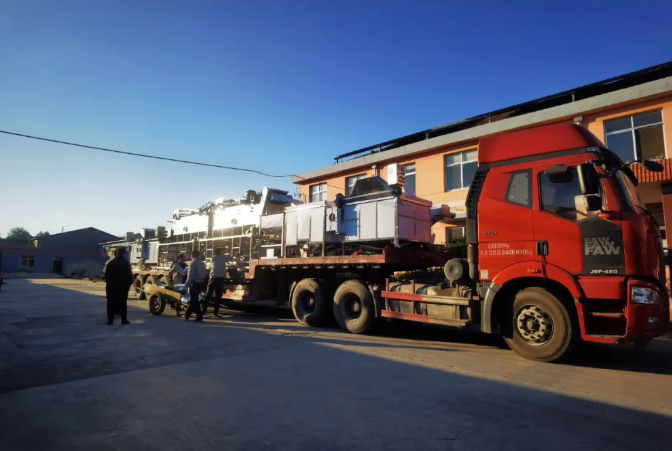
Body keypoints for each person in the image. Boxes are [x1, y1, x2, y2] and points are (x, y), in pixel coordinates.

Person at [104, 247, 133, 325]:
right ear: (123, 254)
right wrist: (128, 285)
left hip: (112, 287)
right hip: (123, 287)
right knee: (123, 303)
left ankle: (110, 321)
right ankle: (124, 320)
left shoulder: (110, 263)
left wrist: (109, 284)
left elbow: (106, 276)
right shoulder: (126, 263)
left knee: (110, 303)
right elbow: (129, 276)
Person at [203, 248, 231, 316]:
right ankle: (215, 312)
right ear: (220, 252)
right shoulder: (223, 258)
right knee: (218, 296)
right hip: (220, 279)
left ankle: (204, 310)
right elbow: (230, 258)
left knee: (208, 295)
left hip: (212, 278)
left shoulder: (212, 259)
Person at [184, 249, 206, 322]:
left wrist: (187, 284)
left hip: (195, 283)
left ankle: (199, 316)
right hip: (201, 282)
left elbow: (190, 276)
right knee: (194, 300)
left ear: (192, 255)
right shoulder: (202, 263)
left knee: (194, 300)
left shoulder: (193, 263)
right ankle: (187, 314)